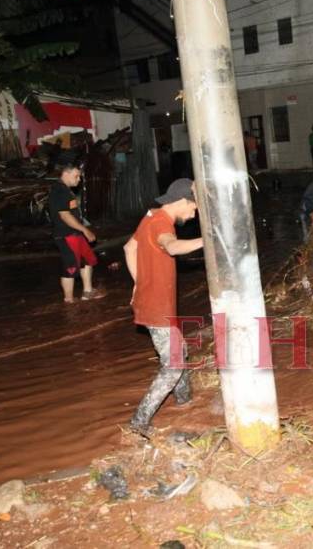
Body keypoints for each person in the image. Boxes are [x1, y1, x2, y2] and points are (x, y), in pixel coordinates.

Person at [124, 179, 204, 434]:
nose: (193, 215)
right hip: (156, 305)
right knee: (174, 365)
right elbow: (172, 246)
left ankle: (185, 400)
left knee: (178, 351)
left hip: (153, 301)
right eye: (194, 208)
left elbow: (129, 247)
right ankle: (138, 423)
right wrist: (207, 239)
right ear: (181, 201)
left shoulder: (151, 216)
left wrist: (139, 282)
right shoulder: (161, 223)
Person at [49, 161, 103, 303]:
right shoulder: (60, 191)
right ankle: (69, 299)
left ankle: (87, 292)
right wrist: (84, 229)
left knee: (87, 259)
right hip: (66, 235)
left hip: (75, 233)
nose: (79, 180)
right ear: (66, 174)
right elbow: (65, 216)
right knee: (71, 266)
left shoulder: (66, 190)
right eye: (76, 176)